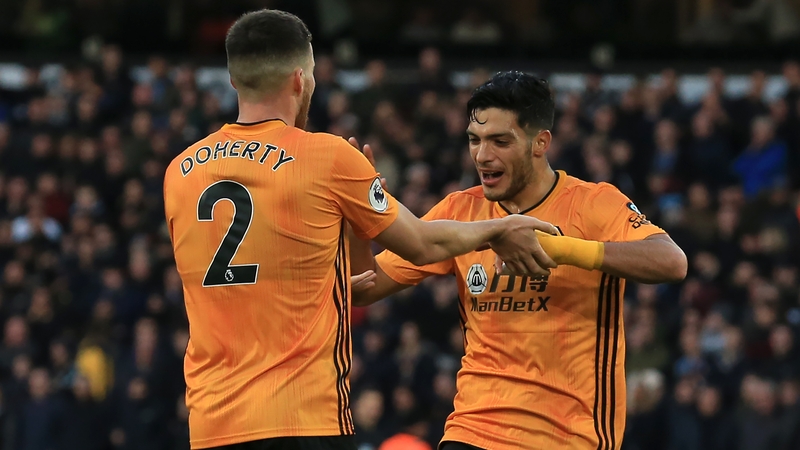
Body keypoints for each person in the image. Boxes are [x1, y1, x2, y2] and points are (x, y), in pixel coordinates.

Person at [163, 11, 559, 450]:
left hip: (212, 426)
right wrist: (501, 228)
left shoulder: (179, 172)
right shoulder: (326, 156)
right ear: (299, 79)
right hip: (303, 420)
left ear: (234, 80)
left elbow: (260, 274)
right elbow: (422, 244)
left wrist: (350, 240)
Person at [349, 71, 688, 450]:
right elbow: (365, 286)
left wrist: (562, 250)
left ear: (540, 142)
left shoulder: (593, 203)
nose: (482, 155)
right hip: (472, 430)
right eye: (474, 140)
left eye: (500, 141)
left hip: (567, 437)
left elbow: (671, 261)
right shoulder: (460, 211)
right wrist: (360, 220)